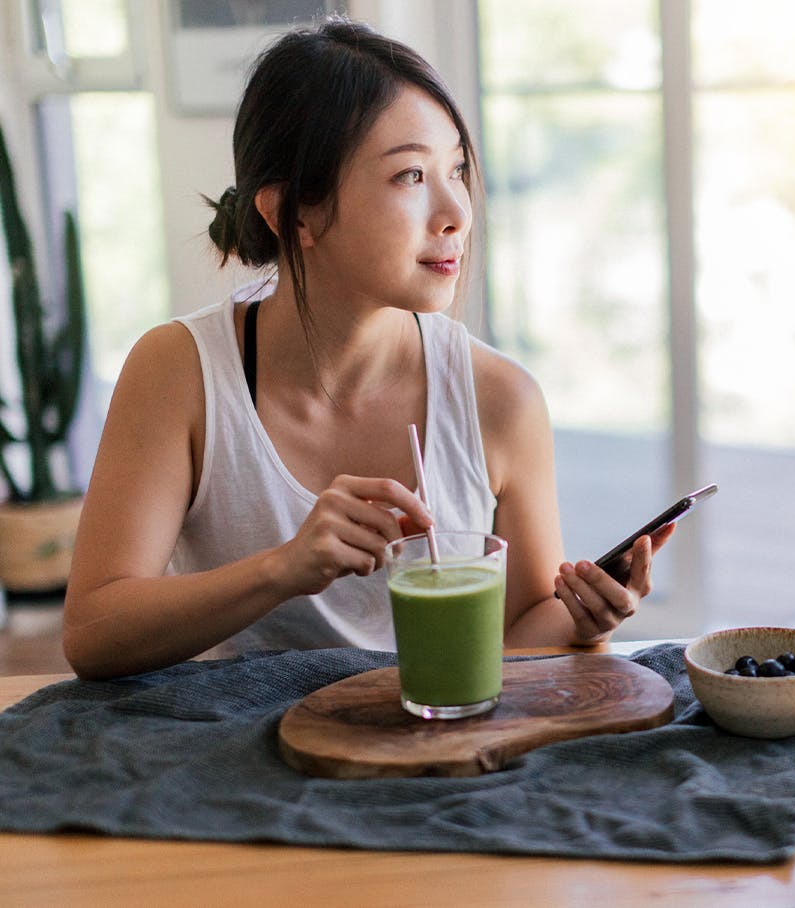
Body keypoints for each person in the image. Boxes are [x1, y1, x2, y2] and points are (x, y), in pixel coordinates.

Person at [62, 17, 673, 680]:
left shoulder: (502, 399)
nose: (457, 213)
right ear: (294, 213)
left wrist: (582, 622)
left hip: (437, 755)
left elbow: (518, 637)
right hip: (239, 754)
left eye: (457, 170)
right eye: (410, 175)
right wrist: (283, 568)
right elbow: (94, 633)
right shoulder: (181, 371)